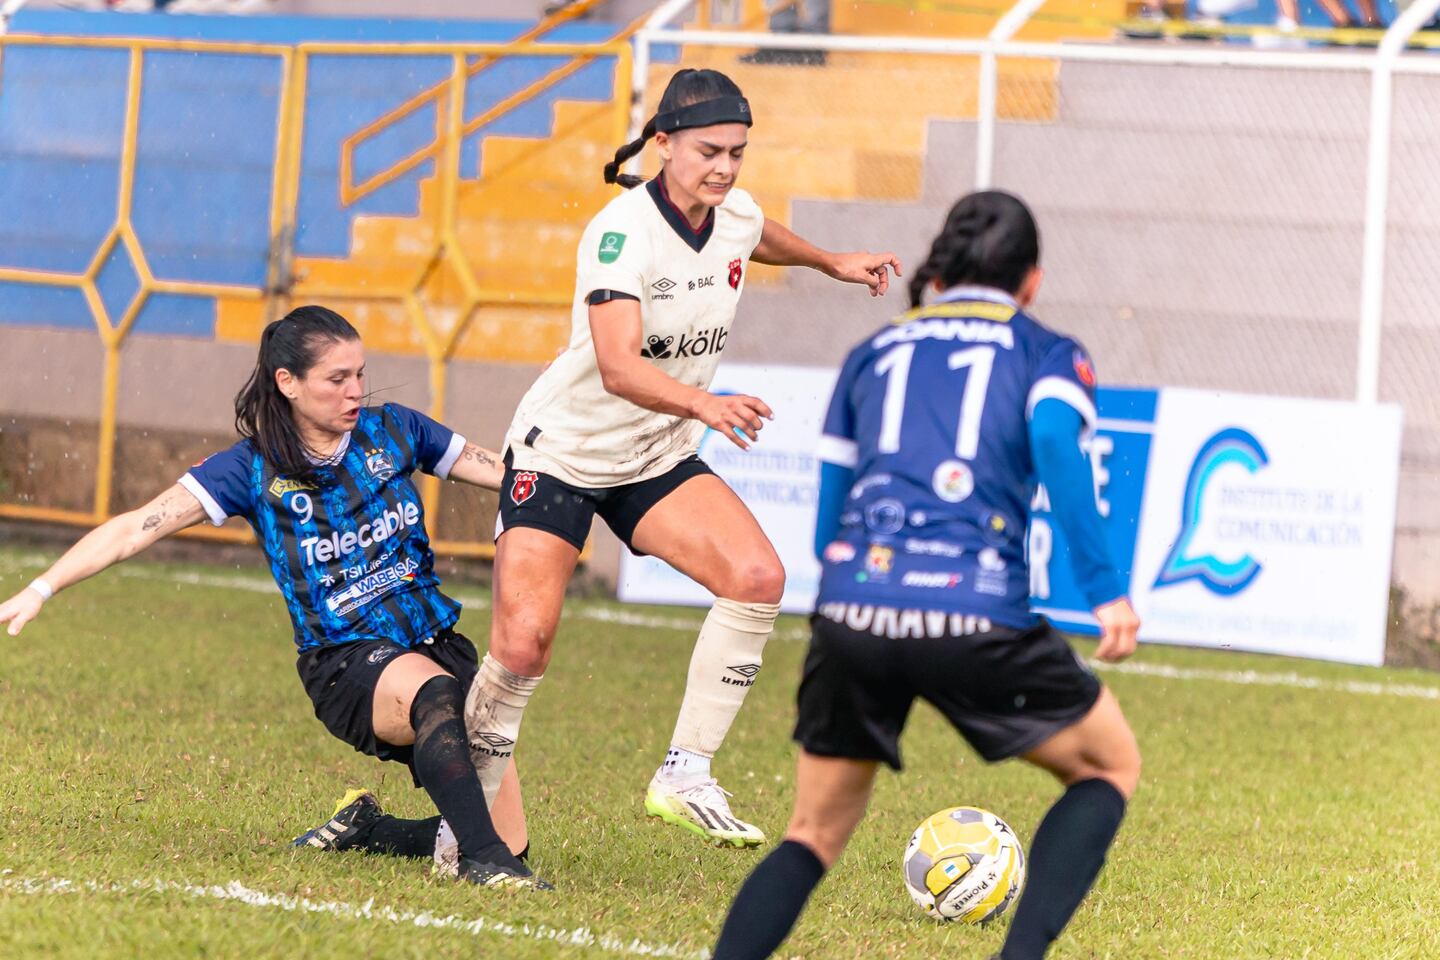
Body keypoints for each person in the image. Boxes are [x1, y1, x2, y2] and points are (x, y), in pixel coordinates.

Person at [462, 67, 901, 849]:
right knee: (523, 645)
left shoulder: (732, 212)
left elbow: (757, 232)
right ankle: (464, 823)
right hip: (564, 453)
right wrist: (705, 405)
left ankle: (685, 772)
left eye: (737, 152)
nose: (724, 169)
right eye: (708, 152)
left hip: (652, 452)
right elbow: (618, 366)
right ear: (664, 143)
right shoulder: (622, 234)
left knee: (757, 579)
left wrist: (831, 261)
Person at [710, 190, 1142, 959]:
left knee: (811, 834)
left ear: (941, 269)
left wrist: (859, 591)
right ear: (1032, 280)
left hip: (854, 607)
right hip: (975, 611)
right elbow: (1055, 443)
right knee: (1109, 766)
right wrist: (1105, 591)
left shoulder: (875, 351)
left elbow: (830, 514)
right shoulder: (1047, 352)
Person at [0, 305, 548, 890]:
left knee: (511, 836)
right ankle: (485, 865)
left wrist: (567, 455)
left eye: (360, 374)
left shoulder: (395, 430)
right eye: (337, 379)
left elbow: (510, 477)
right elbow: (136, 527)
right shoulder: (250, 469)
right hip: (346, 660)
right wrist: (42, 586)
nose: (355, 391)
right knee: (436, 698)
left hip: (436, 641)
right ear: (288, 382)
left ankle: (371, 831)